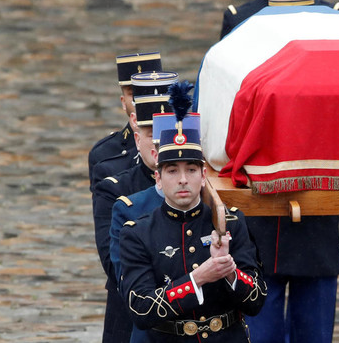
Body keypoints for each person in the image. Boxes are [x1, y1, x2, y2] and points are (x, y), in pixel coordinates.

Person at [119, 126, 267, 342]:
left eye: (191, 170)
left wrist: (229, 270)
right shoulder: (138, 233)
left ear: (203, 175)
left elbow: (257, 300)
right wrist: (197, 279)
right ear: (158, 178)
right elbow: (141, 310)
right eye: (172, 171)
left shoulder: (231, 223)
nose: (183, 180)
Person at [92, 73, 176, 343]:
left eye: (168, 133)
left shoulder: (198, 184)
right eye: (152, 134)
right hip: (131, 316)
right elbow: (114, 263)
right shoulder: (114, 187)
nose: (158, 143)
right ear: (137, 136)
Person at [88, 52, 162, 193]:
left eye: (149, 93)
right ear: (123, 102)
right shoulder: (104, 152)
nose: (142, 102)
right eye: (135, 95)